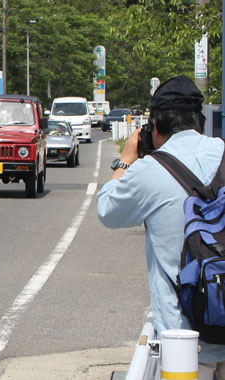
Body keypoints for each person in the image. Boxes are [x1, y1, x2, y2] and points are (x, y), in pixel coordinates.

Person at [97, 76, 225, 379]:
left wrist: (125, 161)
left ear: (154, 127)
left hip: (185, 344)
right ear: (199, 120)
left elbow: (108, 210)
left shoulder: (150, 170)